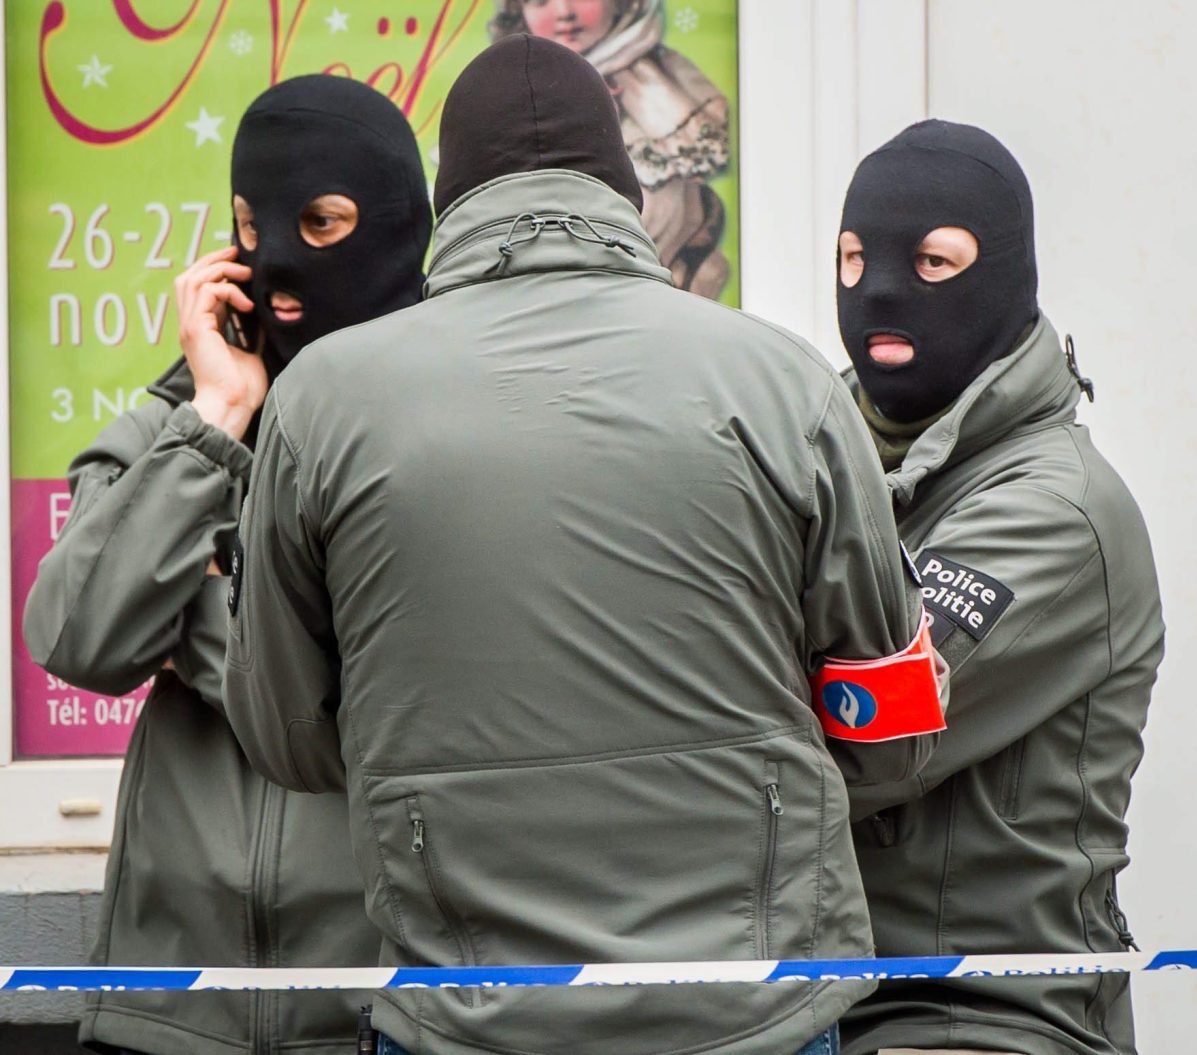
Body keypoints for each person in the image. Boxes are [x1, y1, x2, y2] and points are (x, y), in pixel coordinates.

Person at [224, 36, 947, 1055]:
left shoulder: (323, 403)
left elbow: (283, 734)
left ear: (448, 198)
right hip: (749, 1009)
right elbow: (895, 724)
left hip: (464, 1016)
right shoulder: (783, 384)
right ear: (621, 182)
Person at [23, 74, 432, 1055]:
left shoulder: (446, 431)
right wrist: (215, 419)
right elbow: (82, 636)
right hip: (171, 1007)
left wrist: (202, 620)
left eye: (319, 220)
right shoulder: (178, 428)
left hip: (380, 1006)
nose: (275, 255)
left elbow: (408, 681)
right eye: (248, 223)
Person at [832, 120, 1164, 1055]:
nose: (880, 290)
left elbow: (864, 726)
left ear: (1004, 276)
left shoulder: (1056, 510)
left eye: (934, 261)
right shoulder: (824, 462)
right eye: (853, 258)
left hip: (984, 1016)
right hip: (821, 1002)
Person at [490, 0, 731, 298]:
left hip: (663, 287)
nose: (564, 12)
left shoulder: (663, 84)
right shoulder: (507, 94)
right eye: (540, 0)